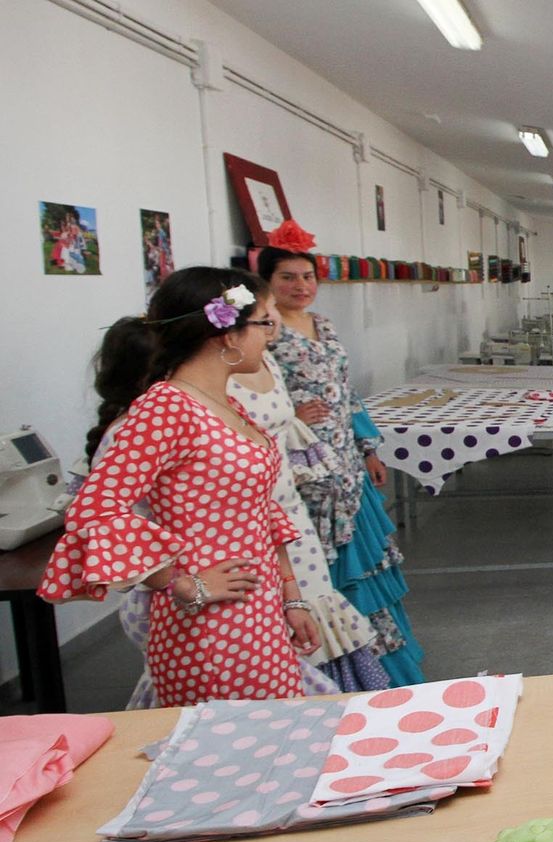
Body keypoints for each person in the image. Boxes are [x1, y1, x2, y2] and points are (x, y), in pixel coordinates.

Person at [38, 267, 320, 705]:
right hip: (210, 622)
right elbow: (94, 509)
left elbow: (258, 507)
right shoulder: (167, 407)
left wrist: (291, 596)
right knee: (226, 750)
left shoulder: (220, 404)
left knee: (270, 736)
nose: (270, 337)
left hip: (257, 608)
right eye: (262, 324)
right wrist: (180, 583)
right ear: (227, 335)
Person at [259, 246, 425, 685]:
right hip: (304, 468)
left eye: (308, 276)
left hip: (345, 462)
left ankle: (379, 660)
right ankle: (340, 667)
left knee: (366, 560)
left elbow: (346, 391)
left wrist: (368, 447)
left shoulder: (323, 324)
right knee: (325, 565)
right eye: (288, 278)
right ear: (267, 283)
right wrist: (292, 415)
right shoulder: (265, 332)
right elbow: (251, 396)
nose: (301, 286)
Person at [229, 347, 391, 691]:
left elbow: (348, 397)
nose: (266, 325)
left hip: (294, 513)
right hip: (261, 527)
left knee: (315, 611)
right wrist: (174, 581)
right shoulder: (195, 397)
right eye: (259, 318)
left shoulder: (269, 356)